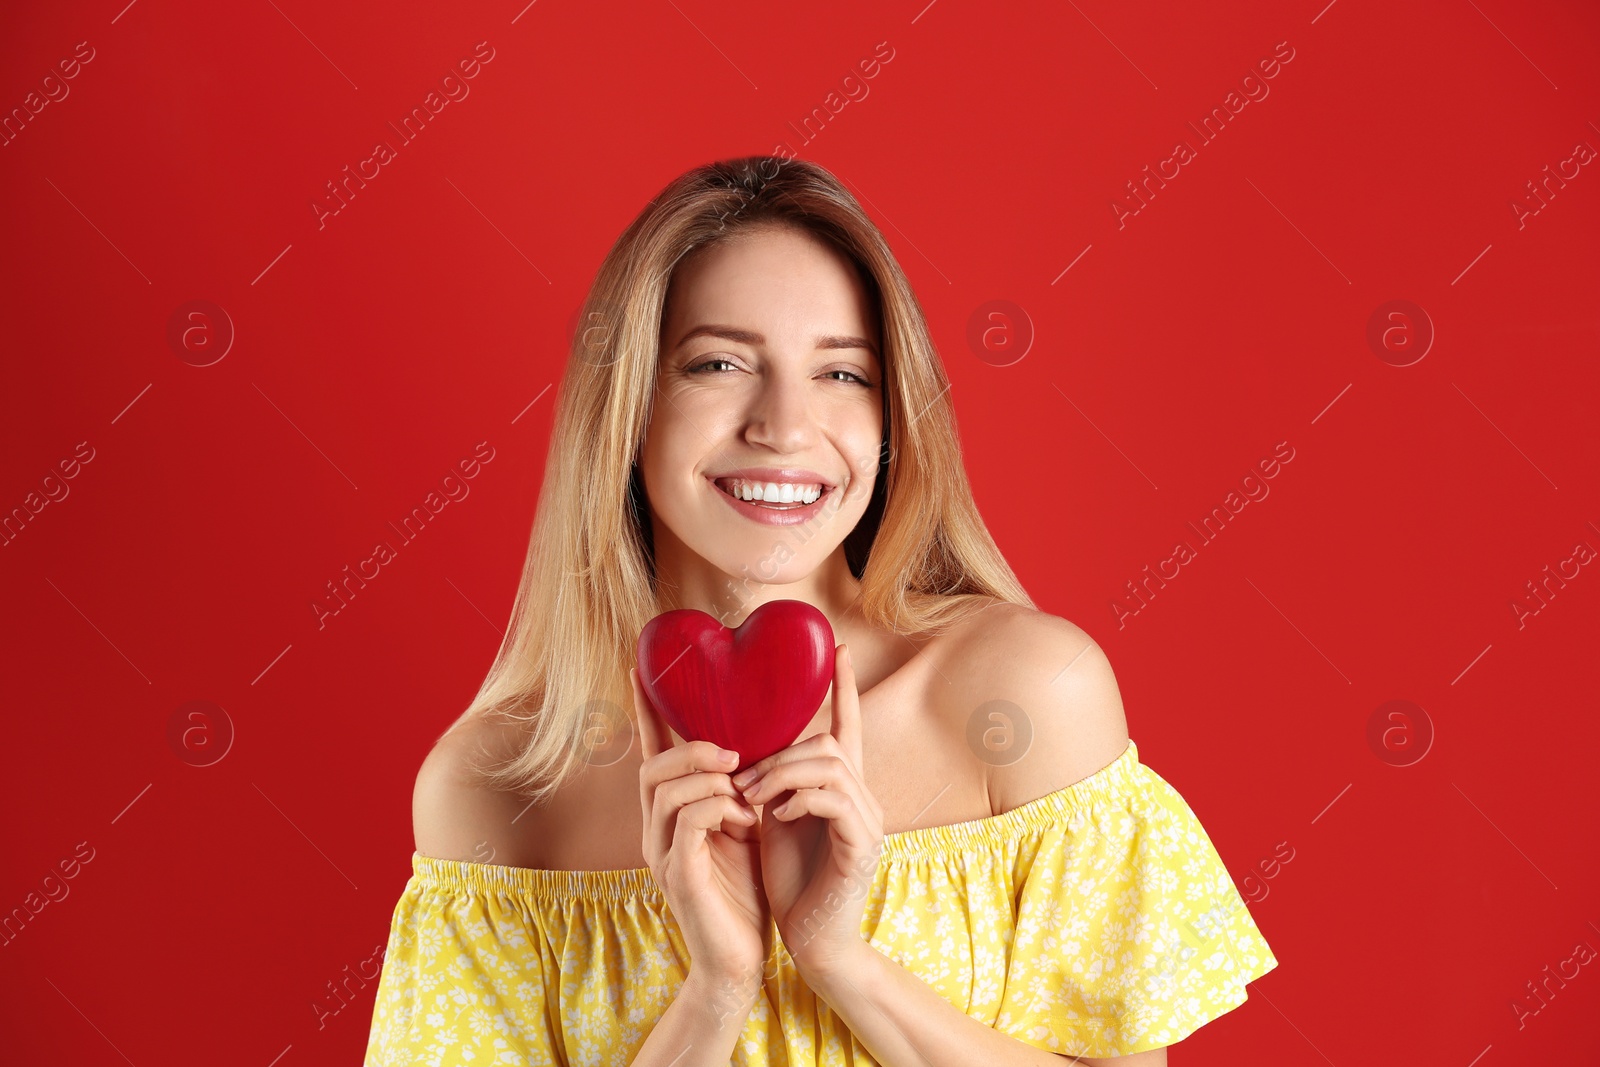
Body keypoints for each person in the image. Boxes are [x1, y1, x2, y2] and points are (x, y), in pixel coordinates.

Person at [362, 155, 1277, 1066]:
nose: (787, 426)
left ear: (893, 417)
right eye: (719, 362)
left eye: (842, 373)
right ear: (629, 405)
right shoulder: (498, 786)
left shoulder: (1030, 695)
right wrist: (716, 991)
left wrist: (839, 958)